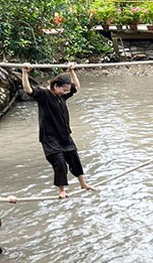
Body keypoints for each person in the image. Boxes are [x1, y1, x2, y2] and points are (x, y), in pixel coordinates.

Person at [21, 63, 97, 199]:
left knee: (74, 156)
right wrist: (25, 72)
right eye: (64, 90)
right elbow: (27, 89)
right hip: (50, 137)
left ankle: (83, 183)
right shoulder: (43, 95)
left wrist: (71, 71)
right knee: (60, 161)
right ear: (56, 86)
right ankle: (61, 190)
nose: (66, 92)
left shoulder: (61, 96)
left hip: (64, 135)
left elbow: (76, 87)